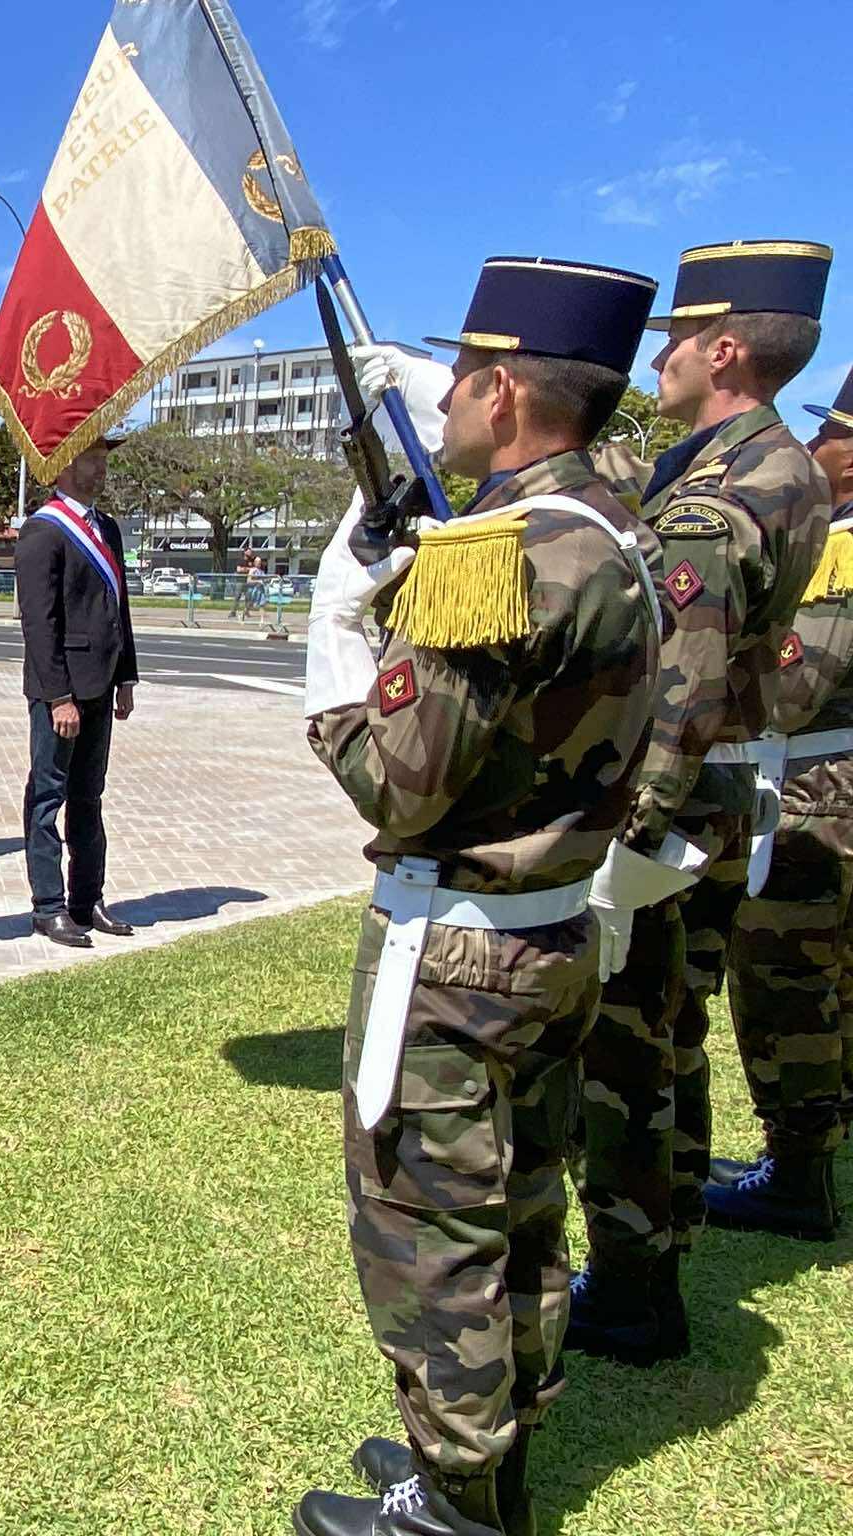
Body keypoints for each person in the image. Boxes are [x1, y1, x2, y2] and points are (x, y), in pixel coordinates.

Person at [300, 257, 663, 1536]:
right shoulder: (612, 529)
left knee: (429, 1227)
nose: (445, 396)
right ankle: (486, 1455)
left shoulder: (497, 556)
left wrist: (338, 637)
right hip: (555, 928)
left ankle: (451, 1504)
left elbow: (395, 785)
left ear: (502, 388)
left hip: (456, 955)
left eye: (461, 374)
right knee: (520, 1210)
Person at [568, 239, 835, 1366]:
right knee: (672, 1032)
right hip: (727, 799)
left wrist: (631, 829)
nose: (659, 360)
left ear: (723, 349)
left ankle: (629, 1288)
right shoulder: (786, 466)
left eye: (674, 340)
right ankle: (661, 1237)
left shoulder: (715, 493)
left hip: (671, 805)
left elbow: (681, 682)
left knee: (625, 1051)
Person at [713, 364, 853, 1240]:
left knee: (786, 991)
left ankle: (798, 1179)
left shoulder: (842, 554)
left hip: (813, 808)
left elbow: (792, 691)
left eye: (828, 433)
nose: (813, 447)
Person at [16, 433, 140, 947]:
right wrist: (58, 696)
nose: (101, 467)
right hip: (62, 691)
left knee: (89, 797)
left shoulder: (106, 527)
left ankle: (87, 899)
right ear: (65, 467)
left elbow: (119, 609)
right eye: (92, 458)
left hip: (101, 683)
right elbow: (39, 625)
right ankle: (48, 906)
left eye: (104, 458)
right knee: (48, 797)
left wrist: (126, 676)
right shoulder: (43, 531)